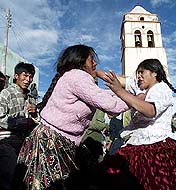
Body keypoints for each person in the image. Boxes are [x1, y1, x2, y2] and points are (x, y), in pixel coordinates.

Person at [16, 44, 129, 190]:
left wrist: (124, 90)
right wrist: (137, 99)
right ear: (81, 61)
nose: (95, 63)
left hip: (57, 140)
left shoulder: (73, 77)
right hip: (51, 143)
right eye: (91, 60)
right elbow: (111, 104)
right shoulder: (77, 76)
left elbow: (105, 96)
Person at [101, 58, 176, 190]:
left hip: (157, 148)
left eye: (142, 72)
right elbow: (115, 79)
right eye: (137, 73)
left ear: (154, 73)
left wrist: (119, 91)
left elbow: (150, 110)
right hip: (136, 145)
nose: (139, 76)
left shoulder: (161, 88)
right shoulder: (139, 88)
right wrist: (91, 72)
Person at [0, 62, 37, 190]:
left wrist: (35, 114)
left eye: (30, 76)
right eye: (25, 75)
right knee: (9, 176)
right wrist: (19, 123)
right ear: (16, 76)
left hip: (24, 143)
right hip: (6, 140)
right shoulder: (6, 93)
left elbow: (35, 121)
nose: (28, 79)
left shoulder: (31, 98)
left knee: (23, 178)